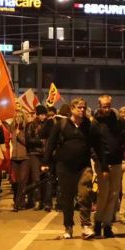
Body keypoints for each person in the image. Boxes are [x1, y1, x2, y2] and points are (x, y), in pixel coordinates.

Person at [45, 97, 97, 239]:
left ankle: (86, 226)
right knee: (67, 199)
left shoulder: (89, 125)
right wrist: (46, 163)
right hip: (65, 167)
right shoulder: (61, 124)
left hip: (83, 167)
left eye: (84, 108)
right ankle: (68, 226)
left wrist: (100, 163)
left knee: (85, 194)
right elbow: (51, 143)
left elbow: (95, 145)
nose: (82, 110)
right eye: (79, 107)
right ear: (72, 109)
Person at [92, 95, 125, 236]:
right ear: (99, 105)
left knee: (114, 194)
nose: (107, 108)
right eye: (104, 106)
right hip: (102, 162)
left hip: (116, 162)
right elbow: (92, 144)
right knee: (103, 194)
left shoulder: (119, 121)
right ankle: (97, 222)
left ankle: (107, 225)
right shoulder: (95, 122)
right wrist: (98, 160)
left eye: (108, 105)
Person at [25, 105, 48, 210]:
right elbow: (28, 139)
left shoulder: (48, 124)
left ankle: (45, 201)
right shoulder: (31, 125)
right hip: (34, 154)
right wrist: (42, 141)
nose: (44, 116)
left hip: (45, 154)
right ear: (37, 115)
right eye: (42, 114)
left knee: (45, 179)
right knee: (36, 178)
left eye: (45, 114)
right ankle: (37, 201)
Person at [9, 112, 31, 212]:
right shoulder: (12, 129)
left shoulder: (27, 129)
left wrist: (20, 137)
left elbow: (28, 143)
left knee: (23, 180)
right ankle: (19, 201)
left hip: (25, 157)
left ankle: (17, 203)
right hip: (14, 158)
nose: (18, 119)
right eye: (16, 117)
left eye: (20, 117)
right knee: (16, 181)